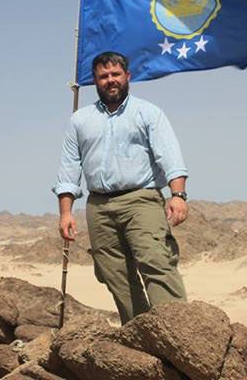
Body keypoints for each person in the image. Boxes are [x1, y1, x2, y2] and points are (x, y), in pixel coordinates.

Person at [52, 51, 189, 324]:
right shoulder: (80, 120)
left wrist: (178, 195)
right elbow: (69, 167)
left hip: (141, 200)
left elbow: (170, 156)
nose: (110, 80)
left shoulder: (148, 112)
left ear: (128, 76)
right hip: (99, 206)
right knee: (114, 274)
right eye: (103, 76)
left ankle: (176, 330)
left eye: (116, 74)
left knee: (156, 262)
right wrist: (66, 213)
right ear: (95, 81)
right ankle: (140, 333)